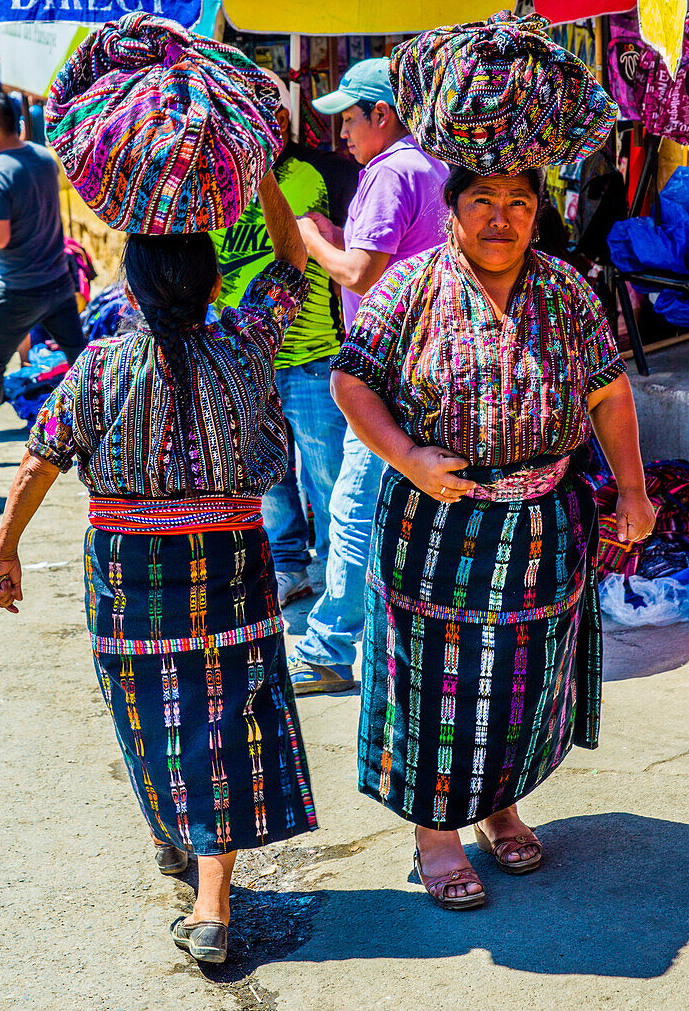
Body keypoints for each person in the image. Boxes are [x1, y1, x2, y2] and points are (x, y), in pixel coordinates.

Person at [0, 170, 317, 964]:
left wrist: (5, 552)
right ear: (211, 284)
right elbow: (292, 263)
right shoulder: (244, 341)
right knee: (227, 714)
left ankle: (205, 894)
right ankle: (202, 866)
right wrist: (265, 179)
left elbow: (37, 463)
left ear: (129, 289)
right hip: (232, 562)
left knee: (152, 713)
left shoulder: (98, 367)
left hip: (131, 575)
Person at [329, 166, 655, 908]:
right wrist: (405, 457)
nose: (500, 219)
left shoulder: (564, 289)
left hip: (543, 522)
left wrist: (632, 489)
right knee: (431, 685)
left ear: (538, 211)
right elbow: (351, 379)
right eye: (482, 201)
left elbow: (605, 389)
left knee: (521, 680)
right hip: (435, 521)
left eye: (518, 203)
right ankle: (435, 831)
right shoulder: (411, 285)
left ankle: (499, 807)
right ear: (453, 209)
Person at [290, 57, 450, 693]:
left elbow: (360, 274)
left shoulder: (389, 174)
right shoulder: (433, 165)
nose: (341, 135)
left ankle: (329, 647)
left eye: (350, 119)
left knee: (353, 506)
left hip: (387, 364)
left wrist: (310, 238)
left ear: (383, 114)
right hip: (427, 358)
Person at [212, 72, 357, 607]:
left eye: (262, 110)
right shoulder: (216, 182)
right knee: (267, 477)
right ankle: (287, 566)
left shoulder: (321, 176)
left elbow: (355, 257)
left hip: (314, 355)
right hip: (240, 357)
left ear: (282, 117)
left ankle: (335, 575)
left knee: (327, 477)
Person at [0, 90, 85, 462]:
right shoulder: (45, 159)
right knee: (78, 358)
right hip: (57, 280)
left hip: (16, 288)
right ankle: (104, 419)